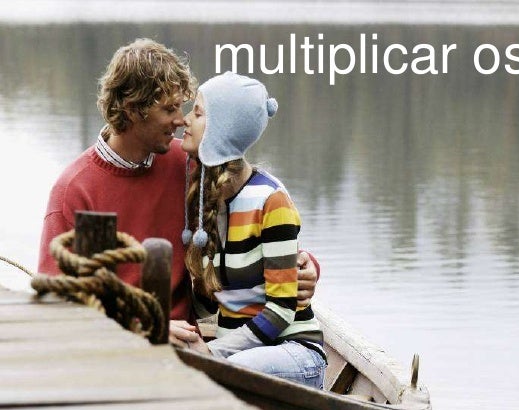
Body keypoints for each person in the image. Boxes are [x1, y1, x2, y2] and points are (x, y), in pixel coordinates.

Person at [37, 39, 319, 334]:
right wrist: (146, 327)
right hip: (117, 343)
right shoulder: (79, 190)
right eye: (169, 109)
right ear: (133, 110)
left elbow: (257, 224)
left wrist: (306, 265)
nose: (181, 120)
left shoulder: (186, 164)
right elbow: (60, 303)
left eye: (183, 107)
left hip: (187, 341)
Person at [174, 71, 326, 388]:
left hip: (294, 352)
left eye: (198, 113)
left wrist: (211, 353)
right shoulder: (207, 199)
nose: (185, 120)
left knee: (216, 375)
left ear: (222, 130)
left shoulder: (271, 200)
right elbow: (209, 302)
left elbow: (281, 311)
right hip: (235, 356)